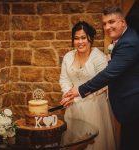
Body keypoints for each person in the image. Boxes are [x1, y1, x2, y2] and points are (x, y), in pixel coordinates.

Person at [61, 6, 139, 150]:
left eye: (111, 22)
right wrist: (68, 93)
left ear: (122, 22)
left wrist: (78, 92)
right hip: (75, 105)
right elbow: (64, 78)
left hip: (128, 106)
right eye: (104, 23)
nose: (107, 27)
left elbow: (108, 75)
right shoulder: (121, 40)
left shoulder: (128, 42)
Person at [59, 21, 116, 150]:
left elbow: (103, 85)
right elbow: (64, 79)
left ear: (90, 38)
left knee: (93, 143)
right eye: (76, 38)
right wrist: (67, 95)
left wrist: (78, 96)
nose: (80, 42)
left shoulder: (99, 58)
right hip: (73, 107)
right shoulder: (68, 57)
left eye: (83, 38)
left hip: (94, 107)